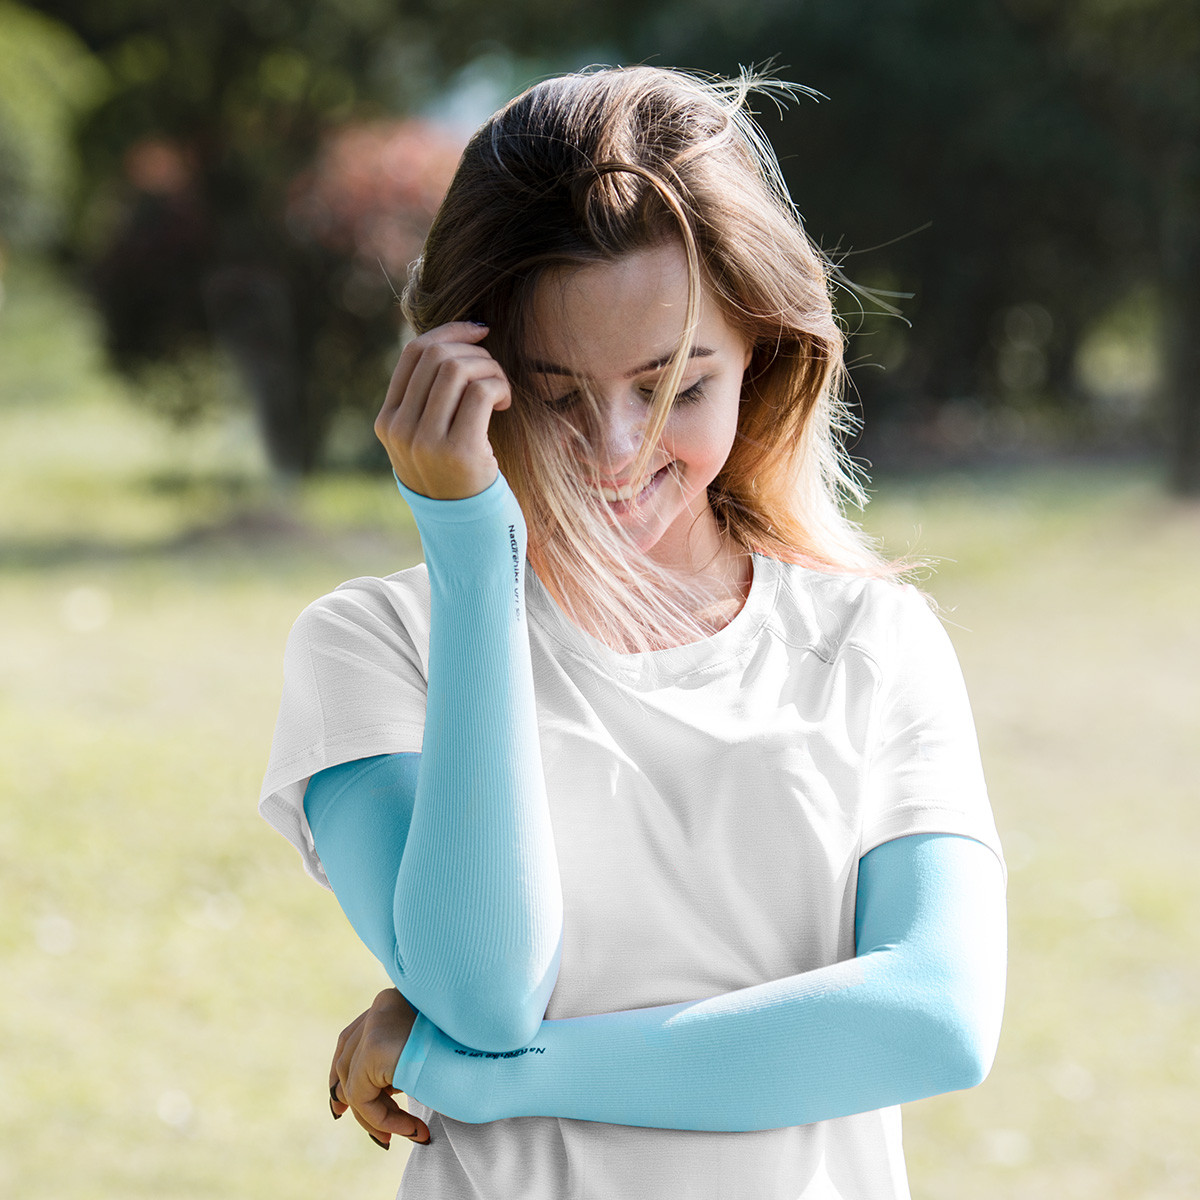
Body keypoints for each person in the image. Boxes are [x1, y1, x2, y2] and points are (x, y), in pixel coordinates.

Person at [258, 64, 1007, 1200]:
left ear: (762, 353)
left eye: (674, 389)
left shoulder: (871, 640)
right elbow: (483, 992)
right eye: (556, 396)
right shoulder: (372, 645)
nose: (614, 451)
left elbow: (934, 1018)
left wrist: (501, 1077)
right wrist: (470, 544)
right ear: (469, 376)